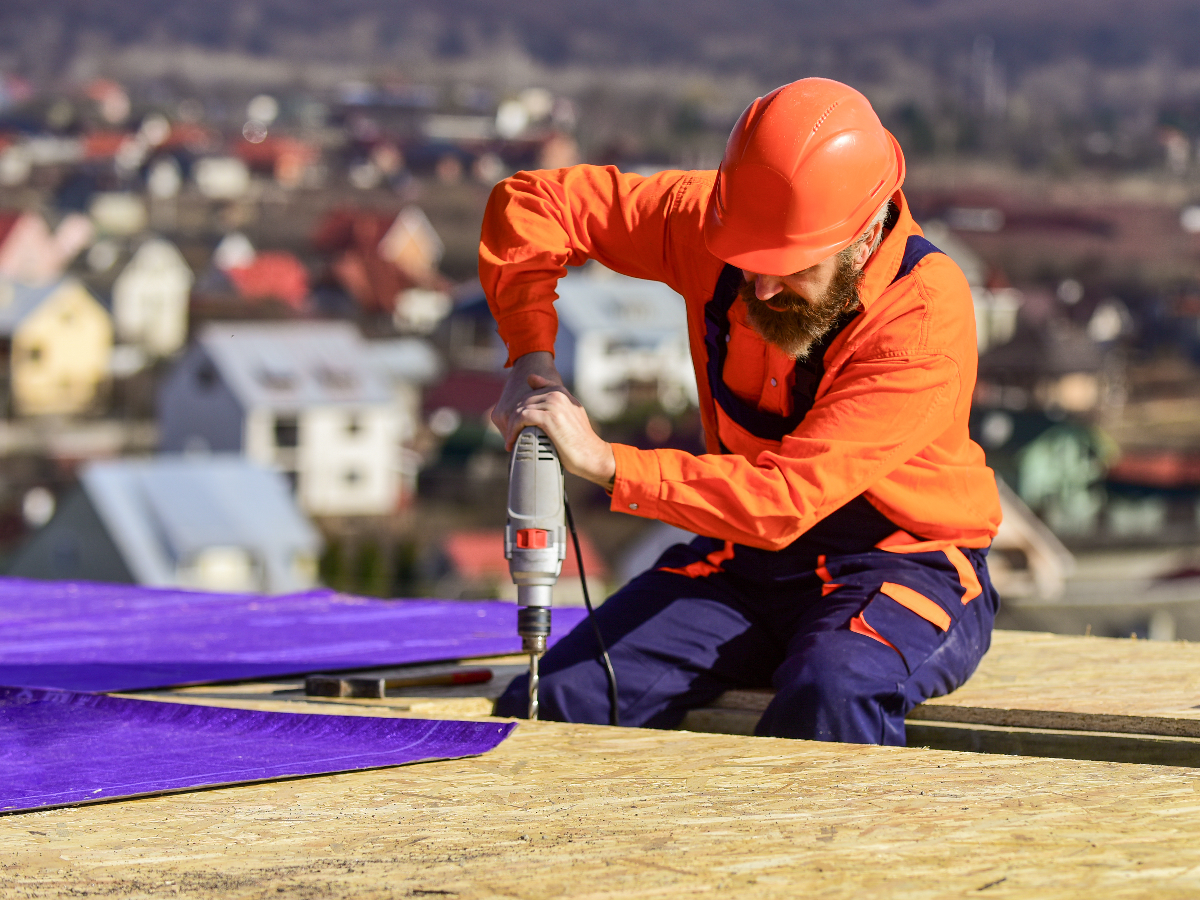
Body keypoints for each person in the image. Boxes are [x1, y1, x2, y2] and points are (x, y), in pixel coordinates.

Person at [482, 77, 1002, 745]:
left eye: (789, 267)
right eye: (745, 260)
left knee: (832, 692)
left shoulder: (922, 317)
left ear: (865, 232)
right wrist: (531, 357)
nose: (758, 285)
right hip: (747, 560)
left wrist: (611, 465)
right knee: (560, 695)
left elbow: (785, 498)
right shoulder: (711, 220)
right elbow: (530, 203)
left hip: (903, 560)